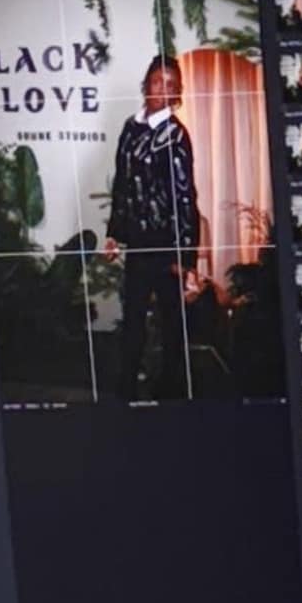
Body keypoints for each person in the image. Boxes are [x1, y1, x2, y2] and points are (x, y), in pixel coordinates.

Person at [105, 55, 201, 400]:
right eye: (158, 81)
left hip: (166, 246)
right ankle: (125, 392)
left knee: (171, 323)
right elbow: (123, 184)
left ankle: (169, 394)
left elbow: (185, 198)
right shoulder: (131, 128)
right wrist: (114, 232)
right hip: (140, 244)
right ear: (146, 84)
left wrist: (186, 258)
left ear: (177, 94)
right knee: (133, 320)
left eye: (171, 85)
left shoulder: (176, 135)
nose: (163, 89)